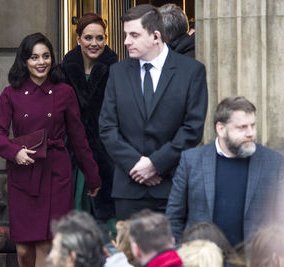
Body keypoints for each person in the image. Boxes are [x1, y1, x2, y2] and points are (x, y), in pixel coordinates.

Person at [0, 33, 101, 267]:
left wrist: (92, 176)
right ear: (25, 61)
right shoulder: (11, 94)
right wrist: (14, 152)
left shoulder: (64, 92)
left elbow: (79, 138)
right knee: (23, 250)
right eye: (34, 57)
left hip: (55, 173)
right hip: (23, 174)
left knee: (47, 246)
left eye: (46, 56)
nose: (41, 62)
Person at [98, 4, 208, 220]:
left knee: (171, 254)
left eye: (134, 35)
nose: (126, 41)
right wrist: (137, 165)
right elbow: (107, 128)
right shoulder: (117, 73)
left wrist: (156, 164)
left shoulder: (191, 71)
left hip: (172, 185)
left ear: (156, 36)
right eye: (126, 34)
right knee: (131, 254)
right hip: (129, 189)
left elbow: (192, 128)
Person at [166, 96, 284, 247]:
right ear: (221, 129)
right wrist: (179, 254)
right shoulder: (191, 161)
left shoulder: (274, 162)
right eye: (242, 127)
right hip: (203, 259)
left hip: (253, 259)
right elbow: (174, 216)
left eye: (252, 126)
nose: (251, 133)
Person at [61, 12, 118, 238]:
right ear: (78, 39)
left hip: (105, 155)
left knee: (107, 231)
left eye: (99, 38)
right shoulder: (63, 70)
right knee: (74, 230)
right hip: (71, 155)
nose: (94, 43)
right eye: (88, 38)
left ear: (106, 39)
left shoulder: (117, 70)